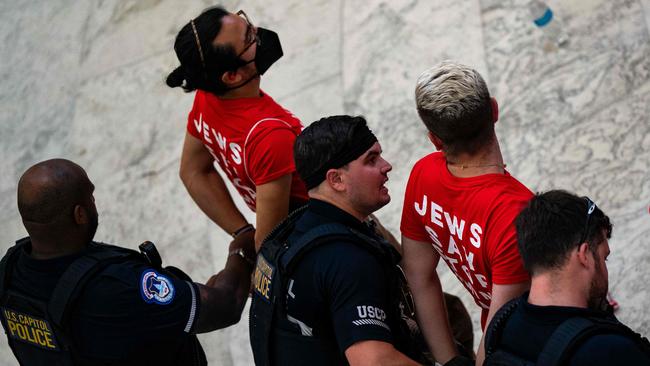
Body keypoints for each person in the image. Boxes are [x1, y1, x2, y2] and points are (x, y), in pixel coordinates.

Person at [0, 159, 256, 366]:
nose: (94, 202)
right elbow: (225, 305)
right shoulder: (118, 287)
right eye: (91, 196)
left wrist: (182, 299)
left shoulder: (9, 274)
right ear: (79, 214)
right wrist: (241, 248)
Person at [250, 115, 460, 366]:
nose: (387, 165)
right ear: (336, 180)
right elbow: (373, 361)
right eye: (371, 160)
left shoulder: (293, 232)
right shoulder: (347, 259)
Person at [400, 61, 532, 365]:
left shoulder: (424, 174)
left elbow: (418, 278)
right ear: (494, 110)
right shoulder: (516, 212)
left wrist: (449, 361)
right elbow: (504, 324)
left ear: (434, 139)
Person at [166, 6, 308, 251]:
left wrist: (241, 231)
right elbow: (269, 243)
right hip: (322, 231)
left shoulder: (207, 98)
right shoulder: (270, 136)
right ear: (232, 76)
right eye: (249, 38)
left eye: (247, 24)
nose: (257, 32)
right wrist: (249, 238)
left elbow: (192, 172)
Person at [483, 190, 650, 365]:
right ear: (584, 255)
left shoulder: (502, 326)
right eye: (603, 257)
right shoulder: (608, 351)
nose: (605, 269)